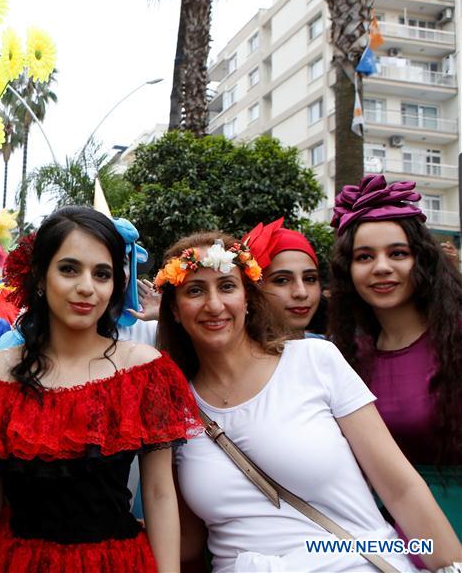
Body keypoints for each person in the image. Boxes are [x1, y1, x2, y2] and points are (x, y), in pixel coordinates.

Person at [156, 230, 460, 572]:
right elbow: (186, 542)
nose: (214, 305)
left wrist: (452, 567)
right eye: (195, 290)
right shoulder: (172, 409)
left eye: (227, 286)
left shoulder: (315, 360)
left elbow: (400, 488)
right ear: (175, 309)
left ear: (247, 298)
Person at [0, 206, 202, 573]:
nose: (86, 287)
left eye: (102, 274)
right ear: (39, 276)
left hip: (116, 565)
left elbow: (159, 494)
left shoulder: (143, 369)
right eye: (69, 269)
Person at [328, 174, 462, 539]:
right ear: (348, 271)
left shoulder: (456, 338)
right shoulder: (346, 355)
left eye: (398, 253)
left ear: (423, 260)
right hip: (376, 539)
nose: (381, 267)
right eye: (364, 256)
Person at [242, 217, 323, 338]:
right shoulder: (229, 350)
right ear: (251, 289)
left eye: (310, 279)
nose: (302, 293)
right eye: (282, 280)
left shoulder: (328, 346)